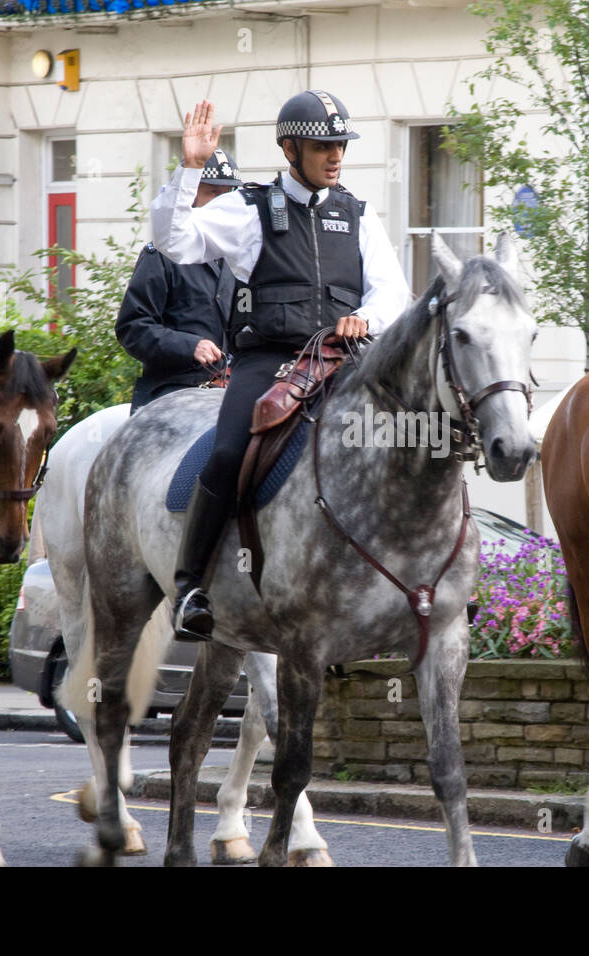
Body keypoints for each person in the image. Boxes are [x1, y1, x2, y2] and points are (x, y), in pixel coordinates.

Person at [150, 93, 410, 641]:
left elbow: (393, 292)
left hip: (343, 362)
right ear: (290, 148)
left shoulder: (358, 214)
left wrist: (364, 317)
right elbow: (173, 241)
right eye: (323, 145)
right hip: (270, 362)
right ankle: (191, 585)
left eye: (340, 144)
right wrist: (189, 168)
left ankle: (414, 578)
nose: (335, 155)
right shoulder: (247, 208)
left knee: (413, 436)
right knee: (227, 451)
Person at [116, 148, 242, 412]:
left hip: (232, 384)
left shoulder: (241, 256)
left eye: (228, 195)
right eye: (213, 193)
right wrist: (189, 346)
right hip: (174, 386)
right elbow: (133, 328)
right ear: (190, 195)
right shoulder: (161, 255)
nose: (222, 203)